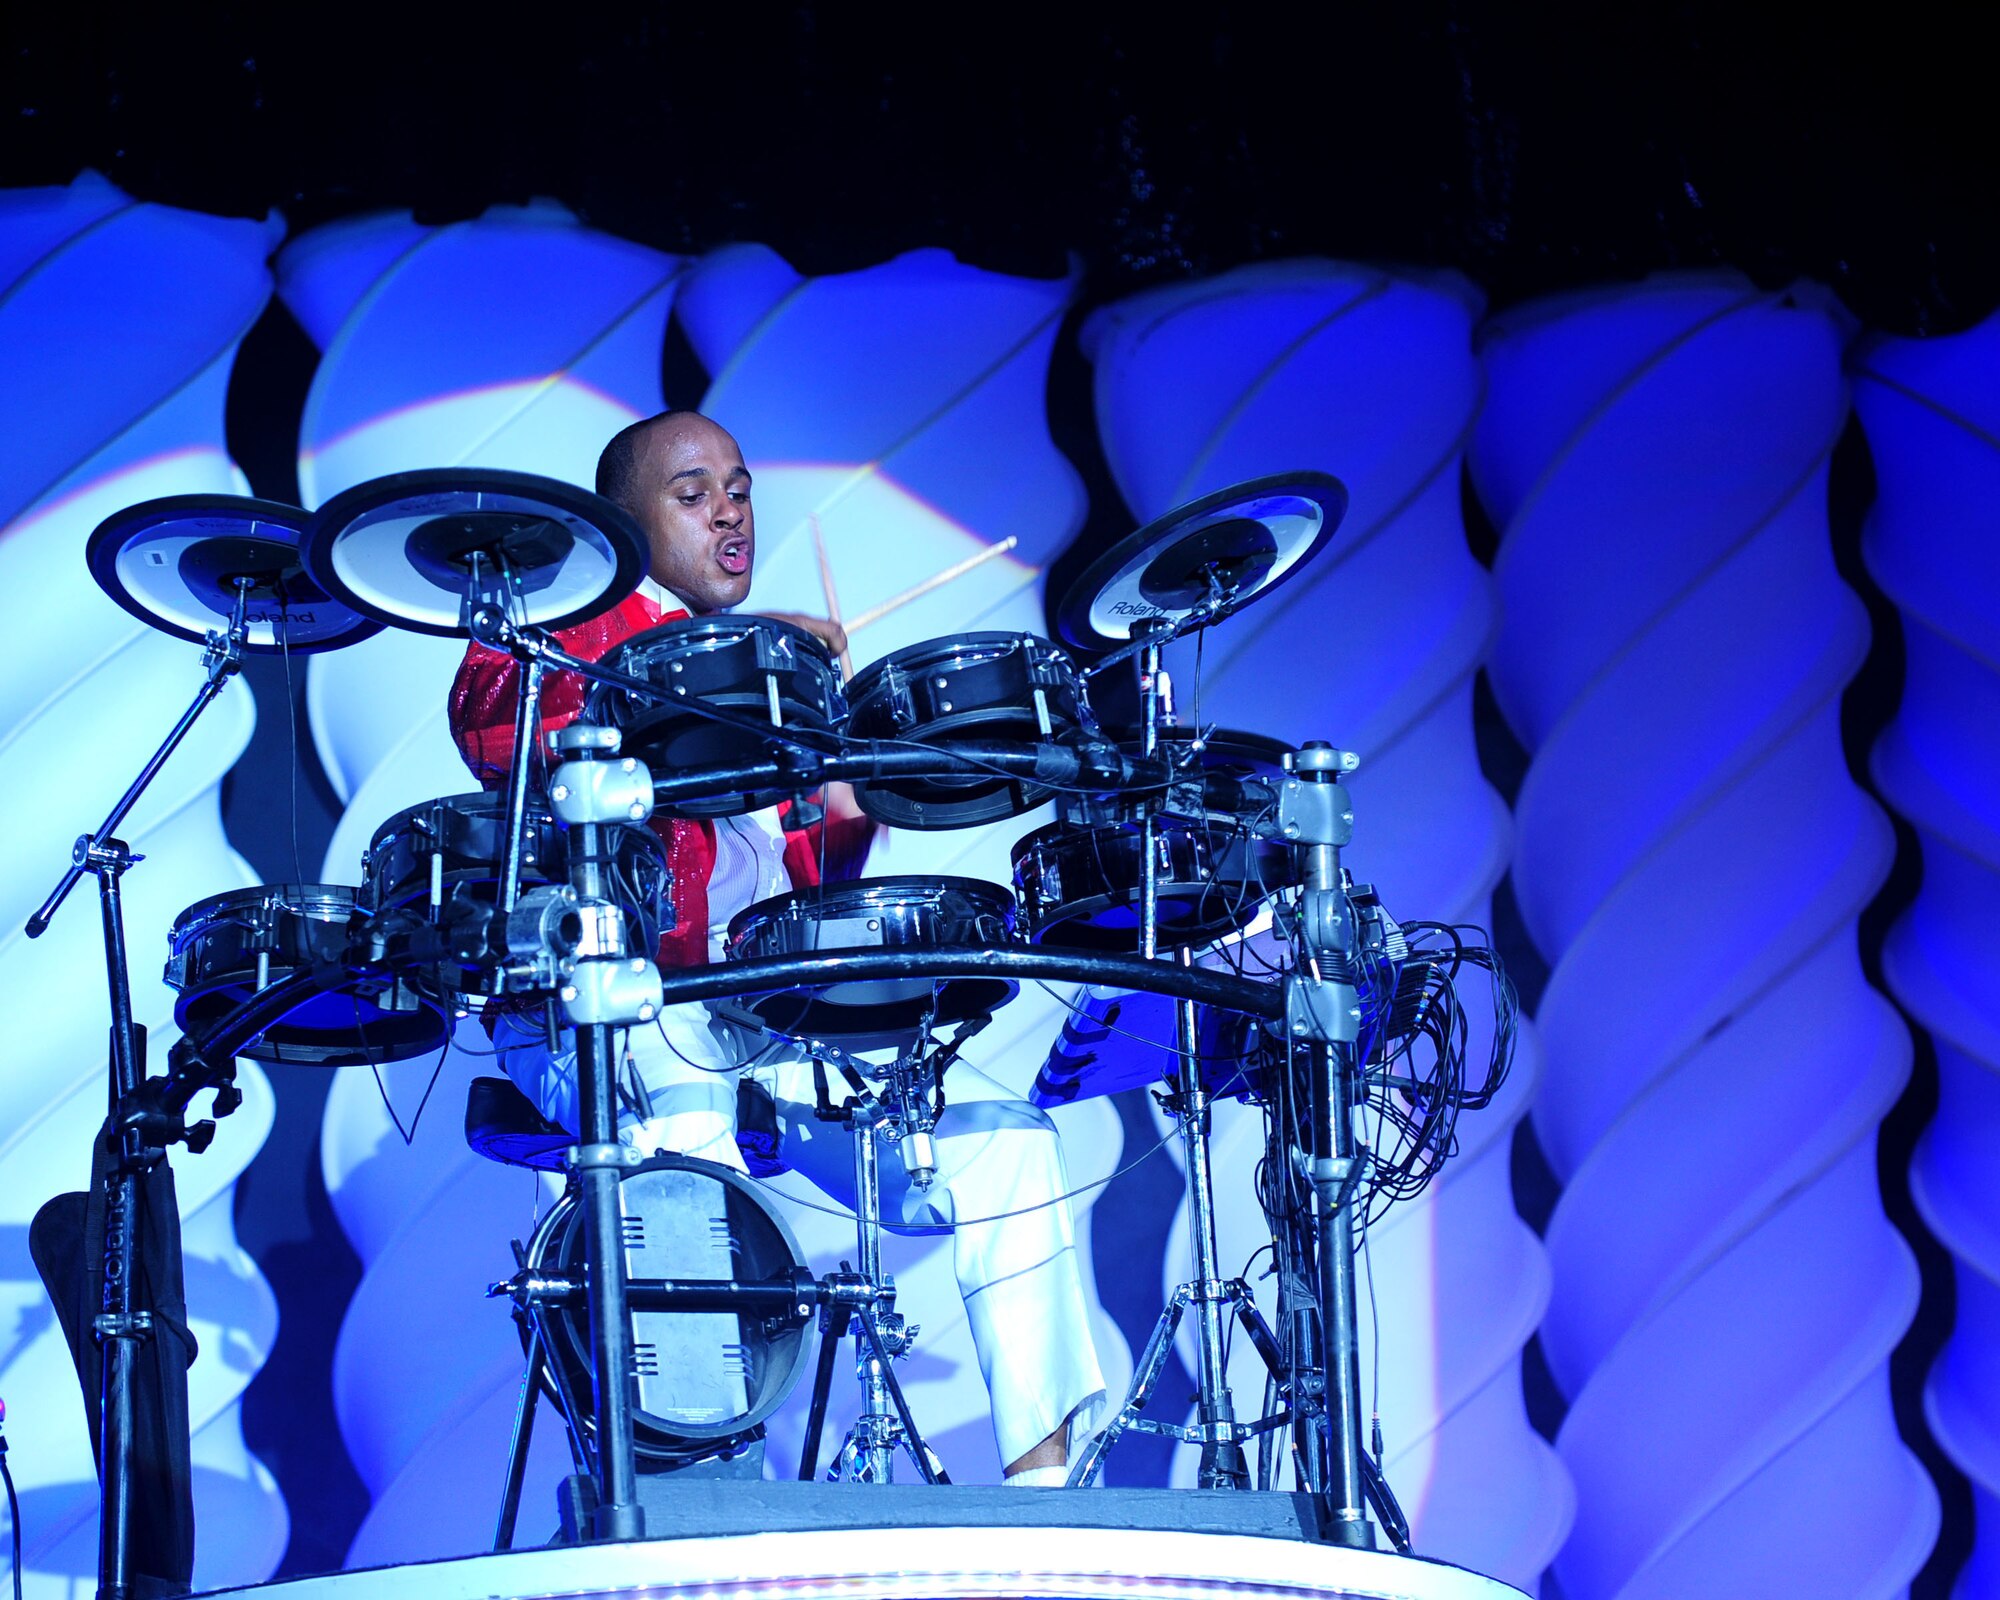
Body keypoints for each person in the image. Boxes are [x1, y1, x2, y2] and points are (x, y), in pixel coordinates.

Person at [448, 410, 1104, 1484]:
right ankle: (713, 1480)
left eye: (741, 489)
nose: (730, 512)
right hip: (623, 1013)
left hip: (765, 1014)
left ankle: (1042, 1487)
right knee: (685, 1110)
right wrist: (715, 665)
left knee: (1005, 1138)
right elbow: (486, 720)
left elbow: (813, 877)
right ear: (625, 522)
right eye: (693, 492)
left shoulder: (771, 688)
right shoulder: (562, 628)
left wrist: (840, 779)